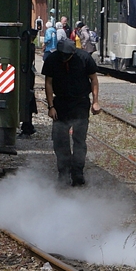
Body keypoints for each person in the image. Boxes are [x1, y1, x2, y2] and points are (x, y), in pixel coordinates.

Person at [41, 36, 100, 186]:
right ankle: (63, 173)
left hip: (80, 102)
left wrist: (95, 102)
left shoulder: (84, 58)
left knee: (79, 140)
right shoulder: (52, 59)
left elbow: (93, 79)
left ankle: (78, 173)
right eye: (62, 55)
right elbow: (48, 83)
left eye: (68, 56)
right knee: (60, 140)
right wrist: (51, 106)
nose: (64, 59)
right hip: (61, 102)